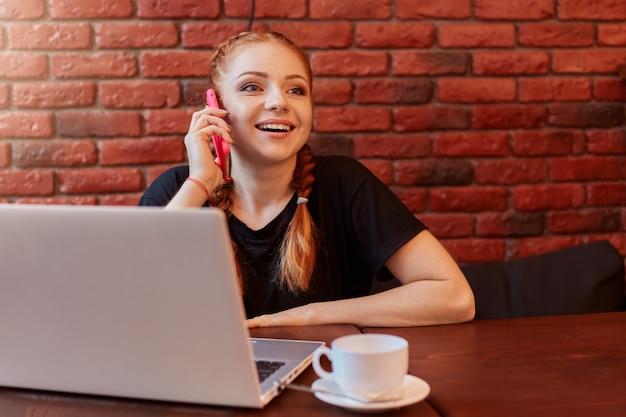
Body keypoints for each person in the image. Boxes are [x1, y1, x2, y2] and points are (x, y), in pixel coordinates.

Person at [139, 31, 475, 328]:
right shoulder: (176, 192)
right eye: (252, 87)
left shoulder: (344, 183)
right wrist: (200, 181)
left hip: (322, 383)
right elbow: (131, 304)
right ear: (216, 106)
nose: (278, 102)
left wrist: (308, 316)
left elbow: (455, 297)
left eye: (296, 90)